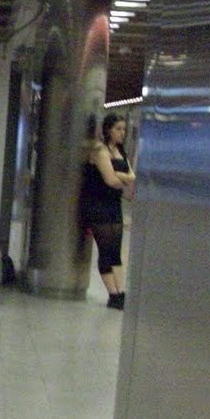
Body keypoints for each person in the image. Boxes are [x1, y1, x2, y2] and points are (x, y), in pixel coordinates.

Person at [80, 113, 135, 309]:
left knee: (115, 252)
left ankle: (120, 291)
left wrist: (118, 175)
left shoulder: (121, 152)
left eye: (124, 129)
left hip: (113, 205)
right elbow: (110, 180)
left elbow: (131, 176)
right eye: (118, 129)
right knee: (105, 249)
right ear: (108, 130)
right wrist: (121, 177)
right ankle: (113, 295)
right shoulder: (99, 150)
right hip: (97, 205)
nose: (122, 133)